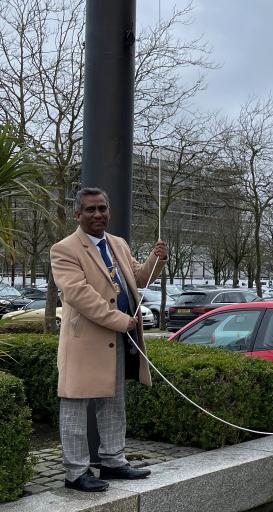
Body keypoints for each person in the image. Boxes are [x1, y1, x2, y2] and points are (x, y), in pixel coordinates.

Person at [50, 187, 167, 492]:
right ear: (78, 214)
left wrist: (156, 260)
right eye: (90, 209)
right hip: (84, 344)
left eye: (102, 208)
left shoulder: (118, 244)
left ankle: (113, 461)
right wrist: (121, 321)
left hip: (118, 339)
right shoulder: (63, 249)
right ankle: (75, 472)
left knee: (114, 403)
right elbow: (79, 295)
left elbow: (138, 279)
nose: (98, 214)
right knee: (75, 406)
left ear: (109, 211)